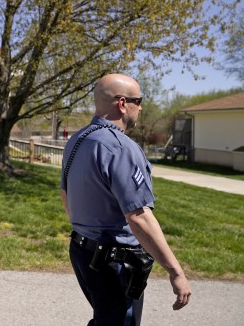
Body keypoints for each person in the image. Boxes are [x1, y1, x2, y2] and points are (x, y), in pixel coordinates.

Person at [60, 73, 191, 326]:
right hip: (113, 261)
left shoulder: (77, 140)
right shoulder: (120, 147)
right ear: (122, 103)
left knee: (105, 318)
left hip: (81, 251)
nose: (140, 107)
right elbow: (139, 216)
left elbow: (65, 196)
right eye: (138, 100)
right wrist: (177, 272)